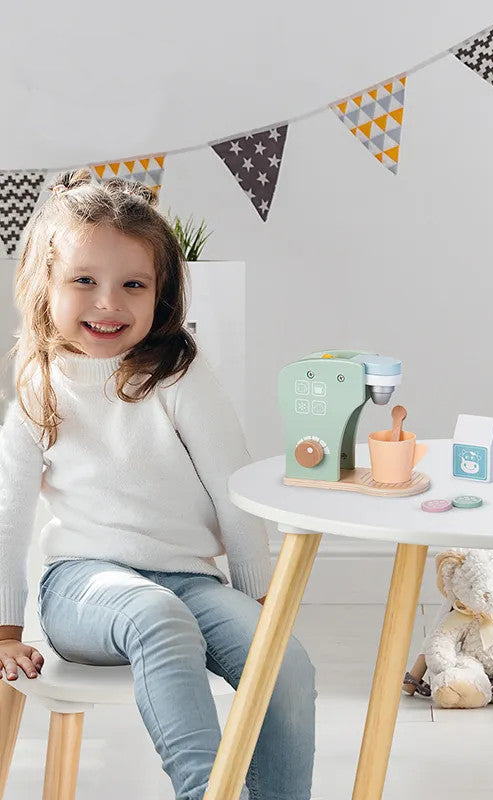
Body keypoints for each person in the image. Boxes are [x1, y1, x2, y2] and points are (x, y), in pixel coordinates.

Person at [0, 169, 316, 800]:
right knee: (156, 616)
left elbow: (235, 490)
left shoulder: (178, 376)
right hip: (83, 588)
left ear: (161, 295)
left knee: (284, 660)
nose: (108, 303)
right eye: (84, 280)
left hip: (191, 580)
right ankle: (206, 793)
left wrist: (259, 603)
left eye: (133, 285)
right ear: (45, 288)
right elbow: (7, 514)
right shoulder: (39, 385)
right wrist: (5, 628)